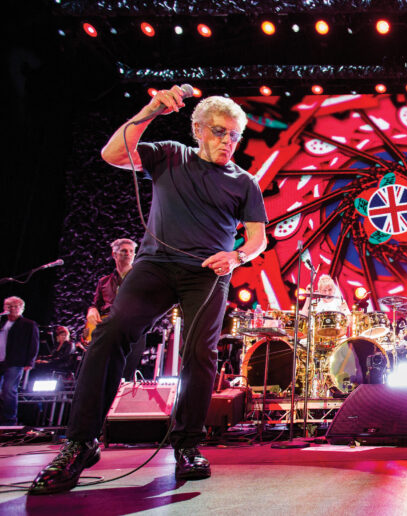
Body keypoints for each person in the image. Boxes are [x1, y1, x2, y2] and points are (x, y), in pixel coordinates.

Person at [30, 87, 268, 494]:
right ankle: (80, 443)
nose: (227, 141)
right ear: (197, 129)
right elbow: (113, 154)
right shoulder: (171, 154)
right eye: (218, 131)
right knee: (109, 334)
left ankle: (188, 445)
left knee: (200, 351)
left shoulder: (245, 183)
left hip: (207, 273)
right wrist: (153, 108)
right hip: (155, 264)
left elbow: (258, 238)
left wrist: (236, 257)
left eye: (234, 135)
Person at [85, 238, 147, 379]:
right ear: (114, 254)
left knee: (125, 374)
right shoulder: (104, 281)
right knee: (103, 372)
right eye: (124, 251)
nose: (128, 254)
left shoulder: (141, 279)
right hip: (108, 329)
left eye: (131, 251)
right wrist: (92, 309)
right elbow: (96, 304)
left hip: (132, 330)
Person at [0, 296, 39, 425]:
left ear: (21, 308)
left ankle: (9, 421)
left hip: (15, 362)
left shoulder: (28, 324)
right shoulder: (2, 322)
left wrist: (30, 362)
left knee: (9, 390)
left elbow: (34, 344)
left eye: (15, 306)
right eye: (9, 306)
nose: (12, 309)